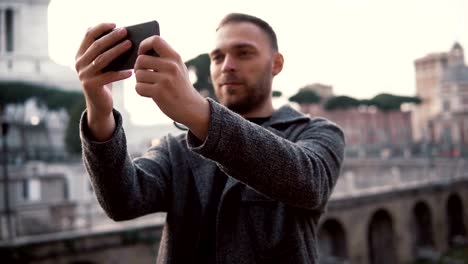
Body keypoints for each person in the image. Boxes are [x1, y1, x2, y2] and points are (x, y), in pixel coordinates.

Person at [75, 13, 345, 264]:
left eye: (243, 53)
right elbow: (123, 201)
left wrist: (197, 112)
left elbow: (310, 182)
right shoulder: (176, 147)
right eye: (217, 57)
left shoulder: (318, 132)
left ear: (276, 63)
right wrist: (100, 112)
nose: (227, 66)